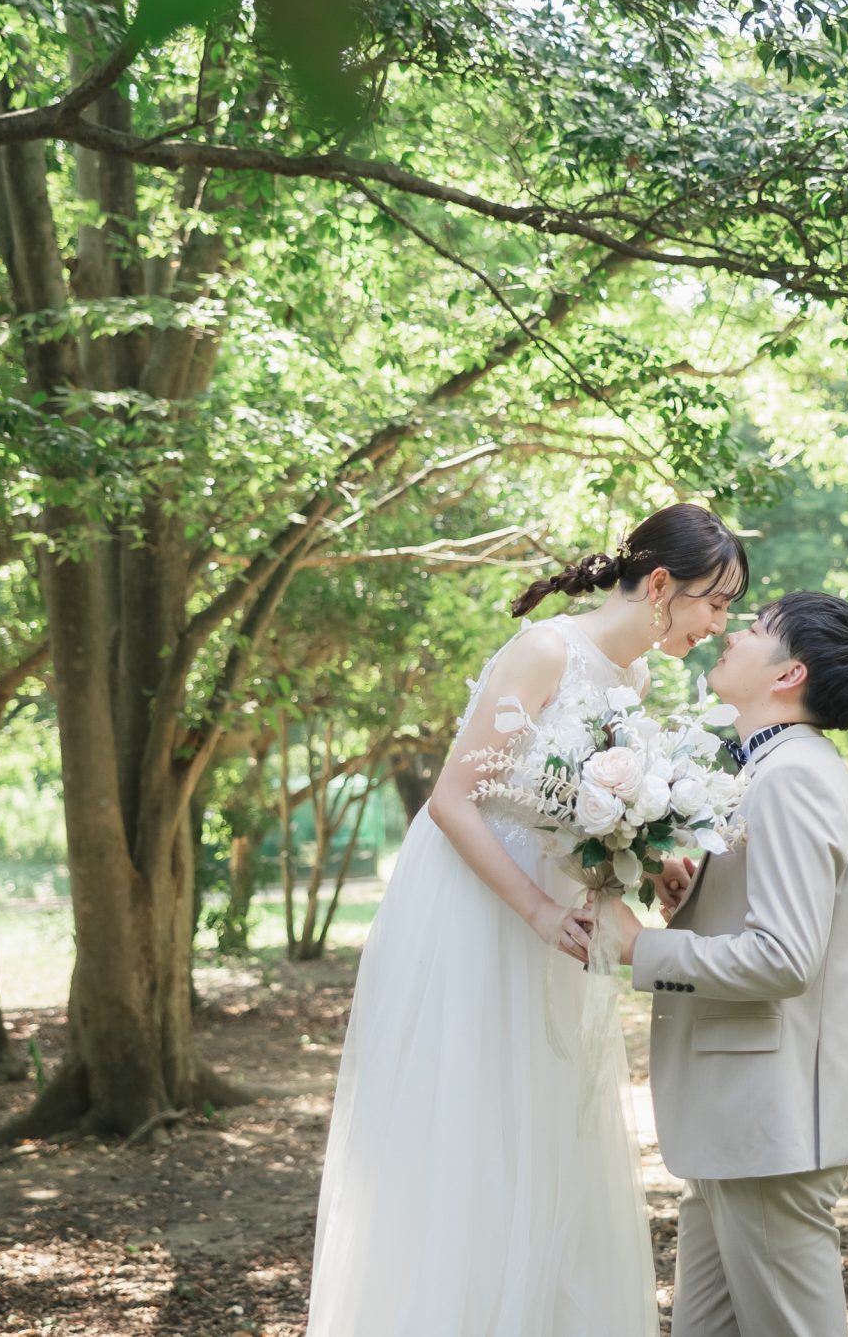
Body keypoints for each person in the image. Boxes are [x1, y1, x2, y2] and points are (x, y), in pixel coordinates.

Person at [304, 503, 746, 1337]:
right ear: (660, 586)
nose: (719, 624)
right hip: (474, 916)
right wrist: (540, 909)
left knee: (552, 1136)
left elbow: (583, 823)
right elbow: (454, 801)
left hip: (559, 932)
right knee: (471, 1132)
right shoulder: (547, 650)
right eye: (714, 603)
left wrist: (650, 864)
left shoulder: (637, 681)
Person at [604, 589, 848, 1337]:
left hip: (771, 1125)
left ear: (789, 673)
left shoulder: (792, 776)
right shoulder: (771, 770)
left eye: (757, 628)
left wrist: (642, 946)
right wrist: (696, 896)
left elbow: (785, 956)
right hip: (738, 1125)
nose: (732, 632)